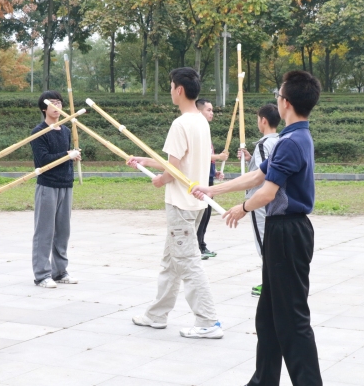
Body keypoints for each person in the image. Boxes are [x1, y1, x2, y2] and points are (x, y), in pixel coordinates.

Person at [192, 70, 323, 385]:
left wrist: (242, 208)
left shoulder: (291, 141)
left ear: (286, 103)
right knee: (267, 318)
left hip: (288, 232)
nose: (277, 100)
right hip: (283, 231)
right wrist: (212, 190)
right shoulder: (292, 138)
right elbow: (257, 176)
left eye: (279, 95)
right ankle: (263, 381)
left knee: (292, 319)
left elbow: (267, 193)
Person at [127, 68, 223, 339]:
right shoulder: (201, 121)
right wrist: (147, 161)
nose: (170, 91)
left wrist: (161, 180)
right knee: (171, 261)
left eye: (171, 87)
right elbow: (181, 162)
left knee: (188, 262)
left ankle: (207, 320)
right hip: (196, 203)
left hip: (181, 205)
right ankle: (157, 314)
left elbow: (173, 170)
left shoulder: (180, 124)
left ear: (179, 89)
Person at [30, 90, 81, 288]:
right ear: (44, 108)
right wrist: (67, 155)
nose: (57, 106)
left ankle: (60, 272)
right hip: (47, 185)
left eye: (59, 103)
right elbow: (42, 161)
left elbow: (65, 156)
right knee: (44, 231)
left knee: (63, 231)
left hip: (66, 184)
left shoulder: (66, 131)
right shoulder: (39, 132)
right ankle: (42, 274)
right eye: (52, 103)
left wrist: (73, 156)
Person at [237, 104, 280, 296]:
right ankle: (274, 281)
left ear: (263, 120)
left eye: (258, 119)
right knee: (270, 240)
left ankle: (271, 284)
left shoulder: (264, 144)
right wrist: (250, 159)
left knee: (263, 241)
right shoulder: (279, 140)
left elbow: (263, 174)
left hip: (259, 198)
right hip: (273, 199)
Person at [195, 99, 228, 260]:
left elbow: (207, 158)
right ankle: (197, 246)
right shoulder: (197, 130)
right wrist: (219, 157)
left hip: (207, 179)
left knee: (207, 213)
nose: (212, 113)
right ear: (199, 111)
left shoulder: (205, 130)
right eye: (208, 110)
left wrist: (214, 172)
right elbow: (200, 155)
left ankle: (201, 244)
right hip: (200, 181)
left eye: (212, 110)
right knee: (201, 213)